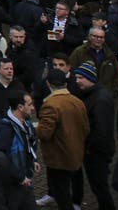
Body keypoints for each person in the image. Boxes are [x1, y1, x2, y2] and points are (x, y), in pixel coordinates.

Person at [38, 67, 90, 210]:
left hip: (58, 158)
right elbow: (86, 128)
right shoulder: (77, 101)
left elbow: (44, 133)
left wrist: (34, 127)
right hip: (76, 153)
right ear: (66, 84)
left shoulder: (50, 104)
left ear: (48, 84)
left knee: (62, 194)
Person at [71, 62, 115, 210]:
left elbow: (101, 130)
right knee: (98, 186)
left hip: (96, 152)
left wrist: (89, 148)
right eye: (76, 77)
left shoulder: (100, 99)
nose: (77, 81)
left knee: (99, 187)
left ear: (91, 78)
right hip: (93, 150)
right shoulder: (91, 95)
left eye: (81, 77)